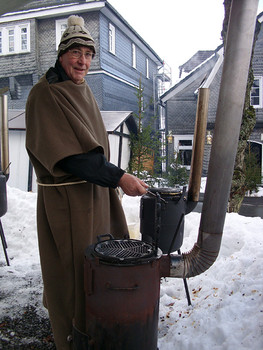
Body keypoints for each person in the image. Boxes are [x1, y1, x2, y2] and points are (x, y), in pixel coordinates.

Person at [25, 15, 147, 350]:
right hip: (68, 203)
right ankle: (74, 338)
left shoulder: (83, 90)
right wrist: (119, 177)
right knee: (74, 273)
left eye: (88, 54)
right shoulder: (45, 95)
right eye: (76, 53)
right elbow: (69, 158)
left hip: (95, 196)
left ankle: (100, 330)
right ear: (61, 55)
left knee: (101, 266)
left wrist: (113, 180)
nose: (83, 61)